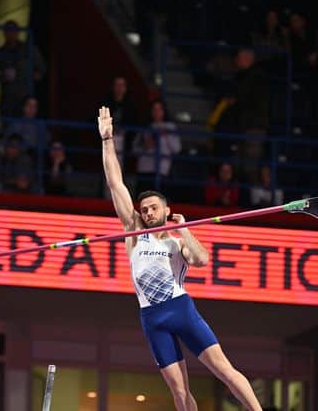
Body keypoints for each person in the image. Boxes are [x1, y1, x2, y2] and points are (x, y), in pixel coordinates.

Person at [98, 106, 262, 411]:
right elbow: (115, 184)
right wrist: (108, 140)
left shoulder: (177, 242)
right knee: (178, 390)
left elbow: (201, 260)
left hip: (180, 309)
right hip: (151, 317)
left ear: (165, 210)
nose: (147, 213)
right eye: (144, 209)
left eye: (153, 208)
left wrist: (185, 231)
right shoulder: (133, 233)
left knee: (223, 369)